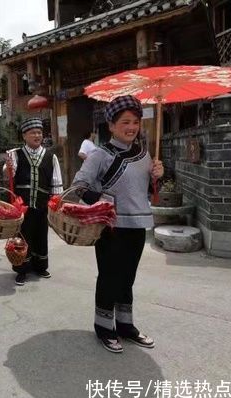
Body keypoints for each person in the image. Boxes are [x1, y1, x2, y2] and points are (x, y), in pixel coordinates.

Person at [71, 95, 164, 353]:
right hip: (110, 227)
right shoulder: (100, 155)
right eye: (125, 121)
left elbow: (150, 191)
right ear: (111, 125)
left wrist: (159, 176)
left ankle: (125, 325)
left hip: (137, 225)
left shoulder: (145, 155)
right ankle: (103, 327)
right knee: (110, 278)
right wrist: (101, 201)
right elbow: (79, 186)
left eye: (135, 121)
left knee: (127, 278)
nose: (131, 126)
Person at [4, 117, 63, 286]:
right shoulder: (15, 154)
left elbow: (56, 181)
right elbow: (10, 174)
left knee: (41, 235)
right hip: (22, 206)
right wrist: (8, 166)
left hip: (43, 204)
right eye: (33, 133)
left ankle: (40, 267)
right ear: (24, 136)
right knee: (22, 237)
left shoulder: (50, 156)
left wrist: (56, 202)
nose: (37, 135)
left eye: (39, 132)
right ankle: (22, 270)